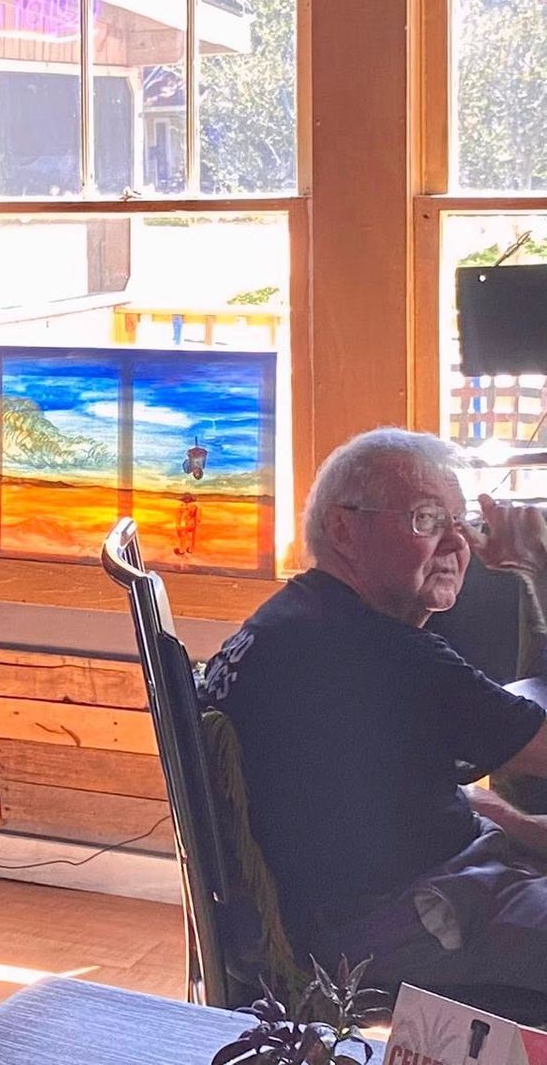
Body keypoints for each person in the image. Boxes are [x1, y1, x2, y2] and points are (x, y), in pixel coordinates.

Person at [200, 428, 547, 999]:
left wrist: (524, 829)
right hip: (388, 928)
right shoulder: (386, 655)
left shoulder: (292, 621)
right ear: (343, 527)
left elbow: (399, 801)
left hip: (366, 901)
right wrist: (538, 566)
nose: (458, 543)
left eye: (461, 522)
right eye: (428, 519)